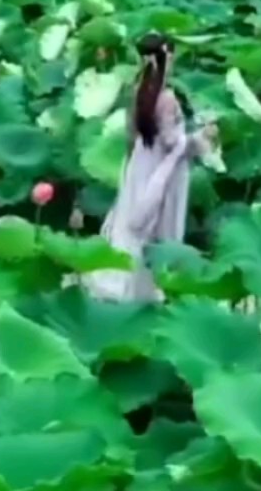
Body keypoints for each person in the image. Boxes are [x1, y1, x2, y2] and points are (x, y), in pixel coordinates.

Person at [84, 33, 215, 303]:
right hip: (162, 170)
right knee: (156, 230)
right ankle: (148, 290)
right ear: (167, 58)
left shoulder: (138, 91)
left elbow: (132, 138)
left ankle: (126, 286)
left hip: (140, 166)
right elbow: (171, 142)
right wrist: (201, 139)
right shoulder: (166, 99)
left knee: (133, 228)